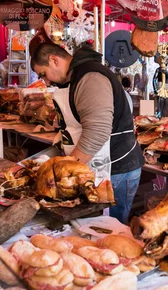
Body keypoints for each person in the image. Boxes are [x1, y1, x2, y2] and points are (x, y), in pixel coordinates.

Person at [31, 43, 144, 224]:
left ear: (54, 60)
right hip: (98, 165)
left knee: (110, 232)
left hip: (115, 169)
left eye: (44, 74)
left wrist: (67, 170)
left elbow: (97, 131)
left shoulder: (90, 77)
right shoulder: (76, 76)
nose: (46, 82)